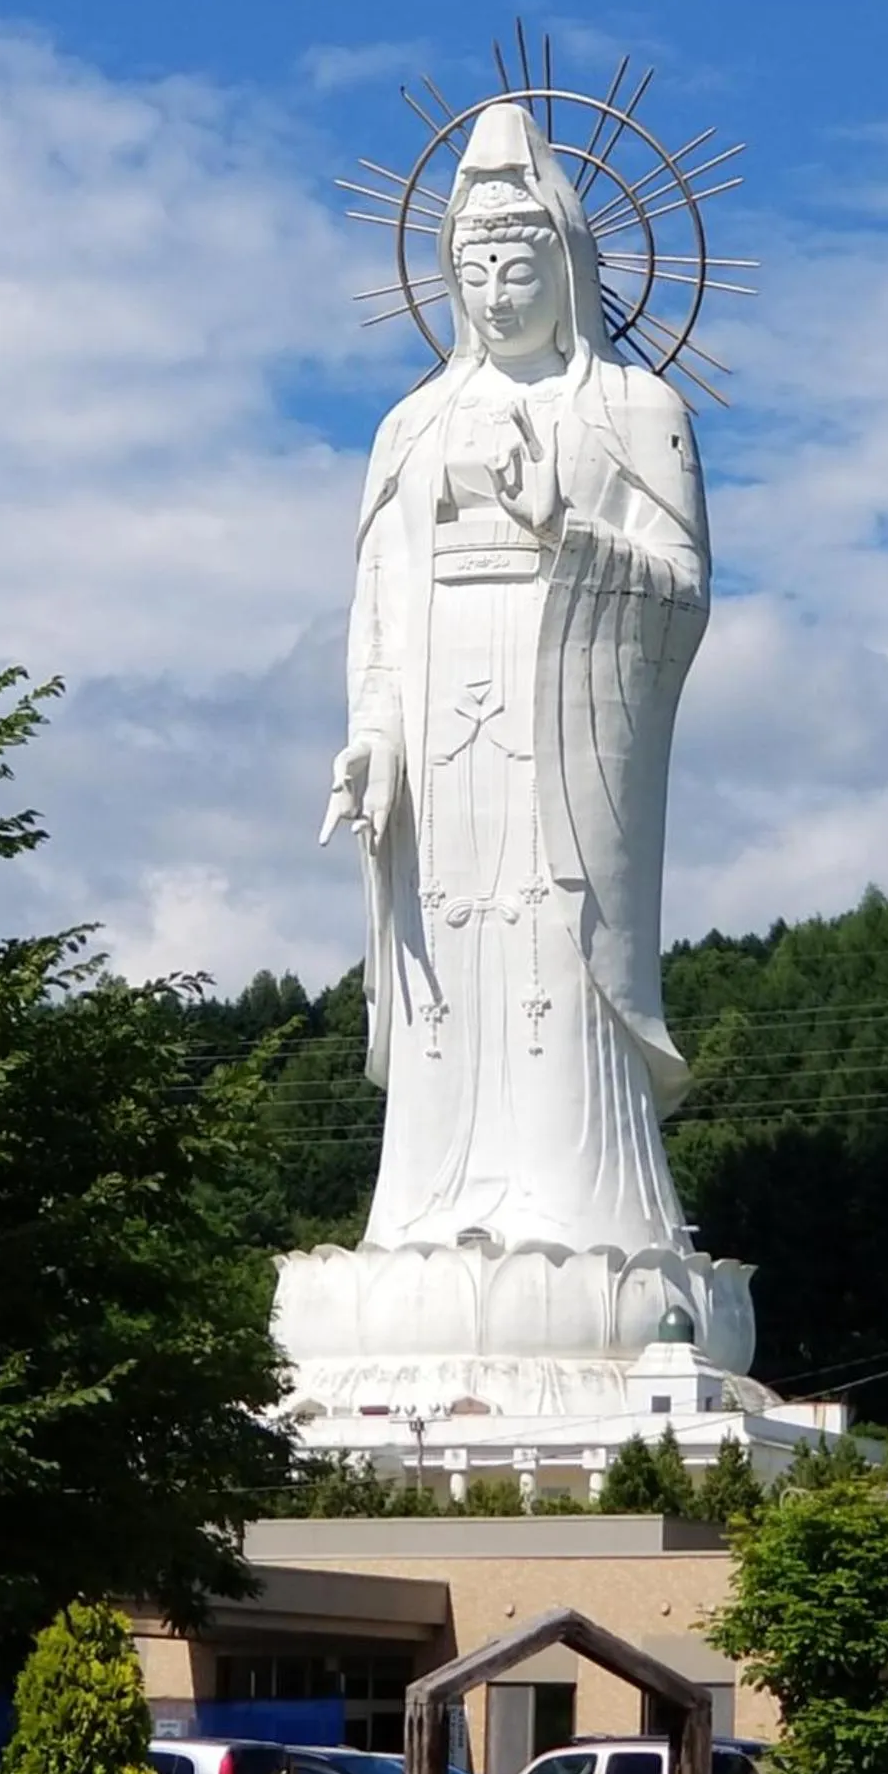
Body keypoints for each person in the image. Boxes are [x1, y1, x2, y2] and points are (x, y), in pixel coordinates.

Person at [321, 100, 710, 1261]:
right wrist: (373, 737)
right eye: (476, 267)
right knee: (450, 948)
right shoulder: (412, 426)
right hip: (441, 729)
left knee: (551, 931)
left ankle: (590, 1218)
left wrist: (562, 528)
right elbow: (379, 604)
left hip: (569, 725)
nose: (497, 292)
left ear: (570, 266)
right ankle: (429, 1212)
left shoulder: (636, 410)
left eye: (521, 264)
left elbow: (683, 587)